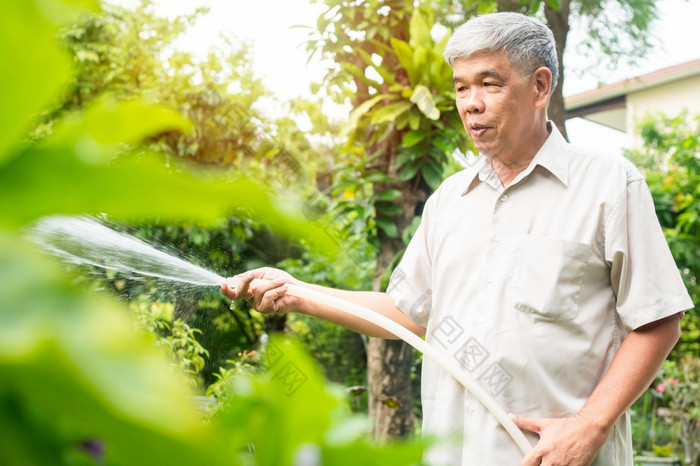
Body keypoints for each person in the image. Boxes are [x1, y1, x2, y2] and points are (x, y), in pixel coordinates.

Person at [221, 12, 693, 466]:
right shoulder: (449, 200)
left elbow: (657, 319)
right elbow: (408, 313)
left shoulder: (608, 185)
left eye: (490, 83)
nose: (471, 103)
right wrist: (298, 292)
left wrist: (591, 424)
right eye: (461, 87)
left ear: (540, 86)